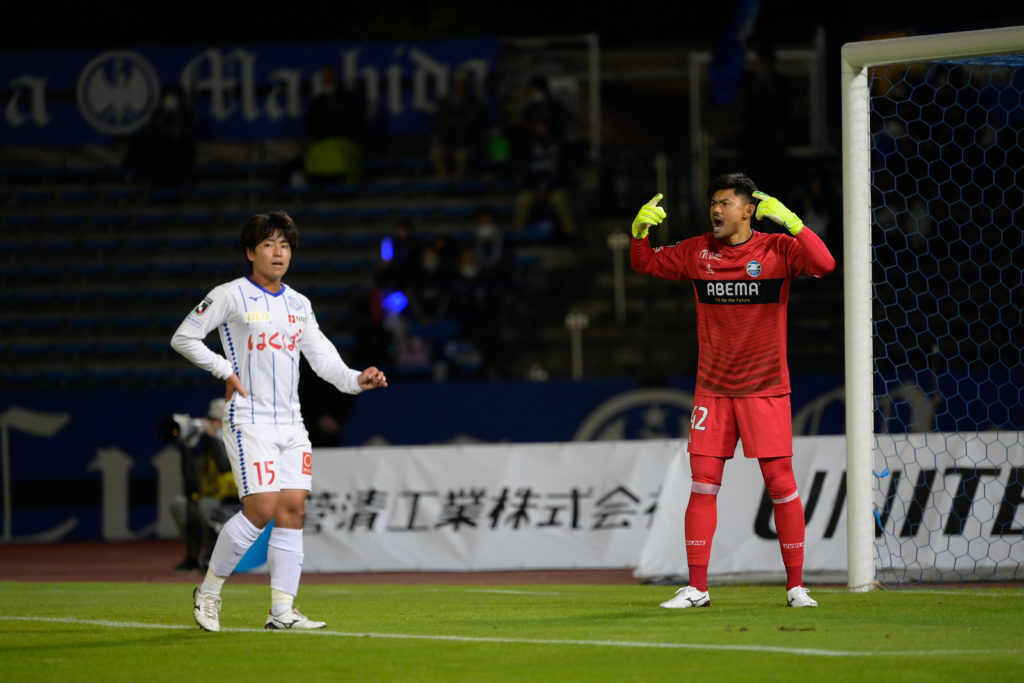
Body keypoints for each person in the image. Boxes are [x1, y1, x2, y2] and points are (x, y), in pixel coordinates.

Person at [170, 211, 388, 632]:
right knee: (261, 507)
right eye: (268, 244)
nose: (278, 252)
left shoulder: (298, 304)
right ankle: (209, 591)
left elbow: (323, 360)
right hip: (249, 418)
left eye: (285, 245)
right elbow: (184, 337)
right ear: (250, 252)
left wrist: (356, 380)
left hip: (291, 423)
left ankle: (282, 611)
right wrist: (224, 369)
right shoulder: (229, 295)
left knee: (292, 509)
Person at [629, 172, 835, 609]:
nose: (716, 210)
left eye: (725, 203)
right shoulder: (696, 251)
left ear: (748, 210)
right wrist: (639, 234)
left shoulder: (778, 249)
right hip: (713, 392)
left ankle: (796, 587)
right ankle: (697, 588)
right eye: (713, 204)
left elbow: (824, 264)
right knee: (703, 486)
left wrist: (795, 224)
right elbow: (644, 263)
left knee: (780, 484)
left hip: (766, 389)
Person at [161, 397, 238, 573]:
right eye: (211, 420)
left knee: (205, 505)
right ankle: (193, 557)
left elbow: (224, 466)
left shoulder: (235, 442)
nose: (212, 424)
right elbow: (190, 480)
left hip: (233, 503)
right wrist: (188, 447)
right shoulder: (208, 447)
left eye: (216, 421)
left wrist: (213, 439)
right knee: (180, 505)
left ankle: (214, 557)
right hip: (212, 501)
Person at [430, 69, 485, 181]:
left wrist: (456, 123)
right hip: (447, 141)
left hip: (465, 143)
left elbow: (472, 124)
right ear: (454, 84)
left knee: (462, 156)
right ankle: (444, 180)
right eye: (458, 83)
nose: (461, 86)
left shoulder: (473, 103)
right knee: (436, 154)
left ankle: (459, 181)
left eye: (464, 84)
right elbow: (441, 122)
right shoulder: (444, 102)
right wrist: (458, 123)